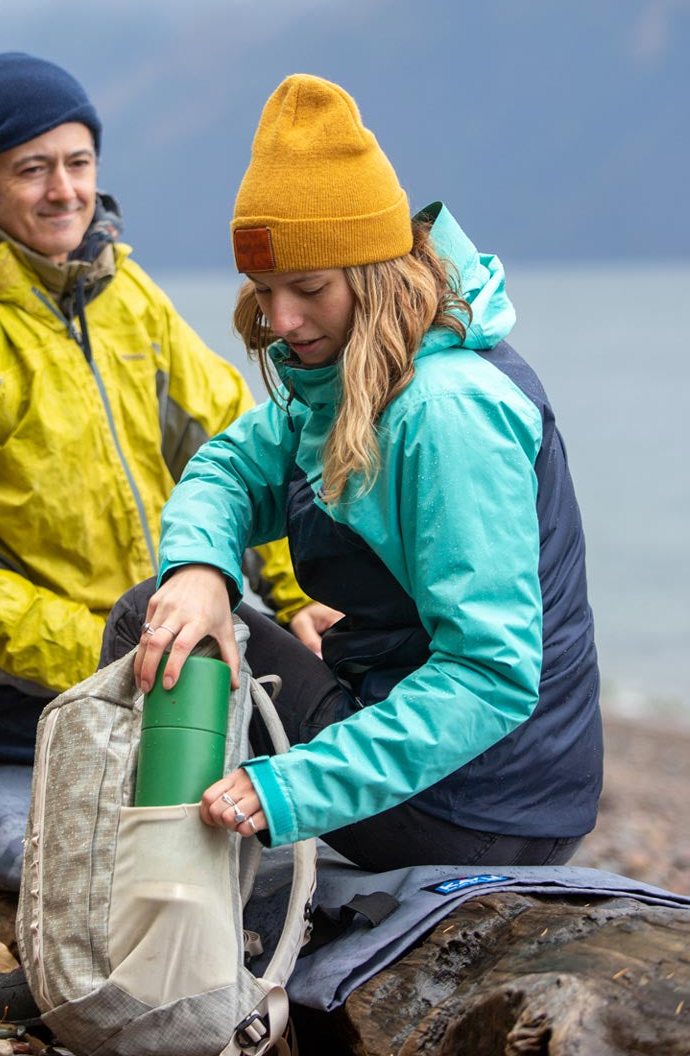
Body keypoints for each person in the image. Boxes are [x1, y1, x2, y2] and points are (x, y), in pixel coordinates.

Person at [126, 73, 603, 870]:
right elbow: (232, 469)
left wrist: (293, 787)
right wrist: (204, 568)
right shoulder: (350, 369)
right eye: (265, 290)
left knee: (148, 629)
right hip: (468, 775)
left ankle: (151, 945)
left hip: (481, 800)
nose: (281, 321)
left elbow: (490, 674)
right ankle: (158, 906)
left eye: (308, 289)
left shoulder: (446, 411)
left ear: (374, 272)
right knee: (180, 608)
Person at [0, 53, 328, 768]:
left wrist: (299, 593)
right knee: (249, 748)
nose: (65, 191)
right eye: (32, 168)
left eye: (79, 162)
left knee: (327, 704)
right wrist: (109, 649)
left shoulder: (127, 297)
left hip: (128, 642)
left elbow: (240, 450)